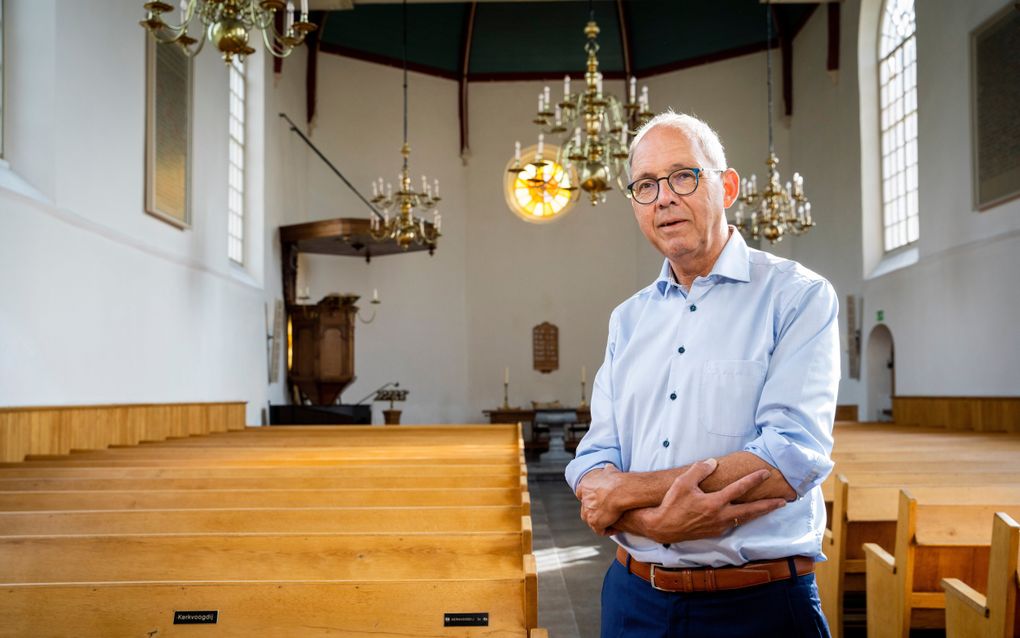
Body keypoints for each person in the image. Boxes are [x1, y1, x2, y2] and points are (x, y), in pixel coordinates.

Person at [566, 110, 839, 637]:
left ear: (728, 186)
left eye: (683, 176)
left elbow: (789, 458)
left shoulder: (797, 296)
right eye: (645, 185)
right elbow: (594, 460)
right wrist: (654, 524)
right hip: (632, 598)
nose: (663, 197)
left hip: (756, 604)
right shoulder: (628, 319)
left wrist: (625, 495)